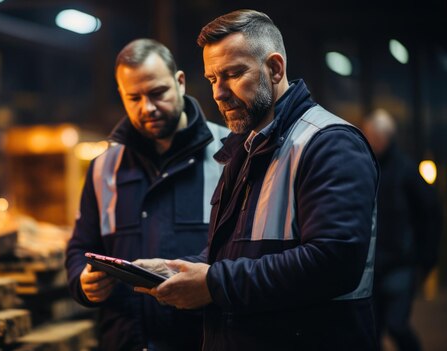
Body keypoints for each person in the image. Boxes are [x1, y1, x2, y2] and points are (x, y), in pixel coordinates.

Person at [135, 10, 380, 350]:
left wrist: (214, 284)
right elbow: (238, 253)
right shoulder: (247, 148)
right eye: (211, 79)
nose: (218, 93)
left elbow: (333, 262)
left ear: (275, 68)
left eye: (233, 74)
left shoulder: (330, 143)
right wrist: (177, 269)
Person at [65, 38, 229, 351]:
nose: (148, 108)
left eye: (157, 93)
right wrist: (83, 282)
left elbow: (244, 254)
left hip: (204, 340)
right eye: (134, 98)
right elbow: (80, 246)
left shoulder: (230, 155)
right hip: (127, 340)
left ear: (180, 82)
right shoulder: (104, 167)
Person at [362, 108, 442, 351]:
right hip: (375, 266)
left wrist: (426, 259)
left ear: (383, 137)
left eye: (369, 135)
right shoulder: (366, 167)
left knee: (397, 325)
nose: (365, 139)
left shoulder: (406, 170)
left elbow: (431, 213)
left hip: (400, 264)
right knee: (371, 331)